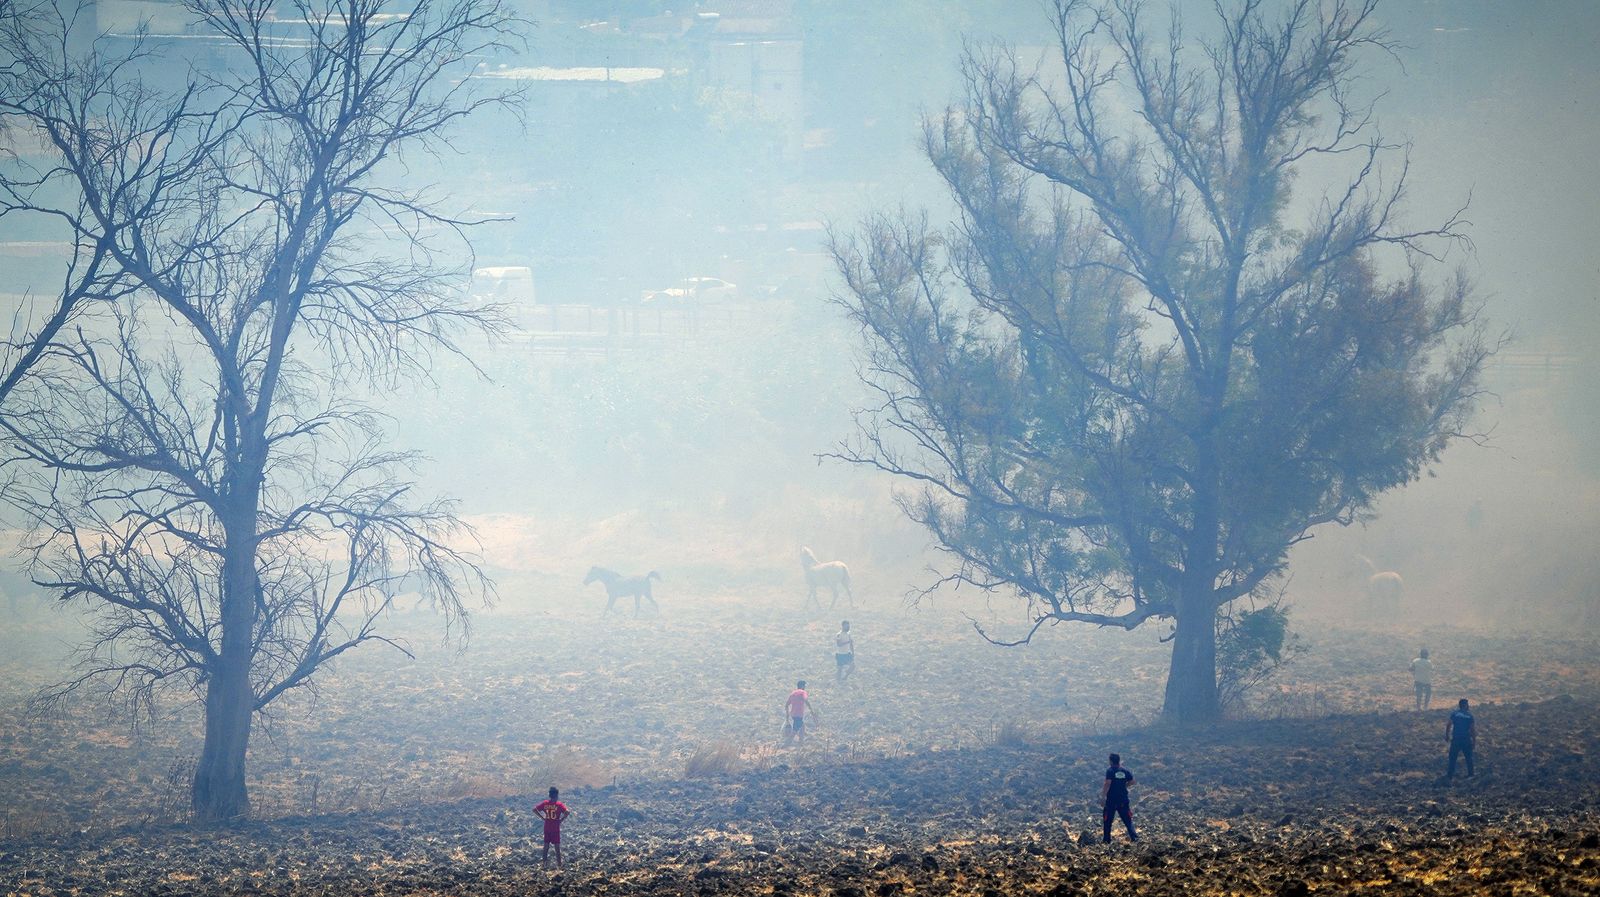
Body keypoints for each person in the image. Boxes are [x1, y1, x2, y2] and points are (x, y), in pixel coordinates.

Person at [1101, 752, 1138, 843]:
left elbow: (1107, 783)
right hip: (1123, 799)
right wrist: (1124, 786)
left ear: (1111, 761)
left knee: (1107, 820)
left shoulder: (1110, 771)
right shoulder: (1125, 771)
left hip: (1111, 800)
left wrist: (1103, 796)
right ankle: (1135, 838)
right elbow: (1133, 781)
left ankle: (1106, 840)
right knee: (1127, 820)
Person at [533, 786, 572, 869]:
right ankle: (559, 865)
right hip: (555, 828)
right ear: (556, 795)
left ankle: (544, 864)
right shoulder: (559, 804)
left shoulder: (545, 803)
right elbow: (567, 812)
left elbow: (534, 809)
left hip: (547, 827)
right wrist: (561, 820)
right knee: (557, 847)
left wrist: (542, 818)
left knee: (546, 846)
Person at [1445, 699, 1475, 779]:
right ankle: (1471, 775)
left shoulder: (1454, 714)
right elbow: (1472, 730)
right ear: (1465, 705)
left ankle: (1450, 775)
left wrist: (1447, 735)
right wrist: (1474, 741)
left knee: (1452, 758)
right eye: (1467, 704)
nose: (1468, 706)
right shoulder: (1470, 716)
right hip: (1466, 739)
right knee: (1469, 758)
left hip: (1456, 739)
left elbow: (1448, 725)